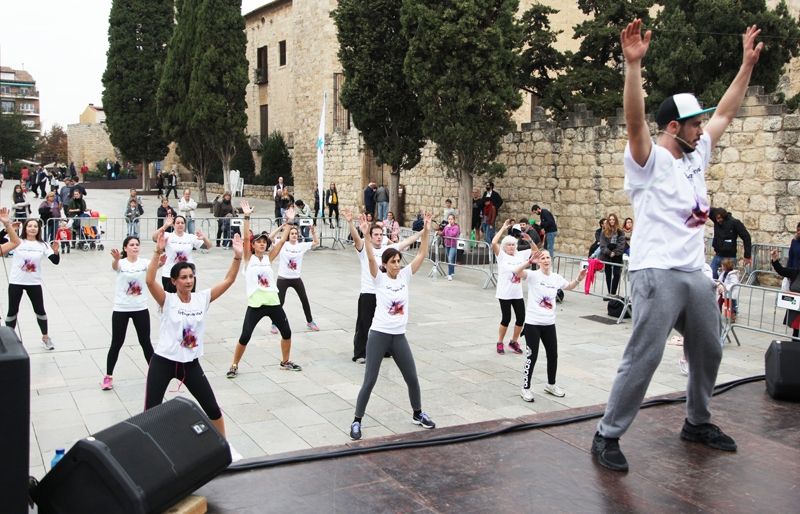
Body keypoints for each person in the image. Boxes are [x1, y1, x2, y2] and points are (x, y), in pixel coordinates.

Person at [592, 19, 762, 472]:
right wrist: (633, 67)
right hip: (656, 271)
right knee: (644, 356)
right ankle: (607, 433)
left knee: (710, 347)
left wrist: (745, 65)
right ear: (673, 126)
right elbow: (633, 121)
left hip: (693, 272)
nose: (704, 128)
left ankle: (697, 421)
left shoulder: (695, 152)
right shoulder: (648, 161)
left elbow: (725, 111)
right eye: (695, 124)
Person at [144, 229, 243, 444]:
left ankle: (222, 446)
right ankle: (149, 449)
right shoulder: (168, 300)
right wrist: (156, 252)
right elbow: (150, 281)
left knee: (212, 408)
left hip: (191, 365)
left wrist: (237, 256)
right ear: (174, 281)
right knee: (150, 412)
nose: (188, 281)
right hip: (163, 362)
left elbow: (228, 280)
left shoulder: (202, 299)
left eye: (191, 277)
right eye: (184, 277)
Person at [348, 212, 435, 441]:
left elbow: (422, 253)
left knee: (412, 378)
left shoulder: (405, 276)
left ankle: (417, 413)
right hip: (378, 336)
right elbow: (369, 258)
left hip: (399, 337)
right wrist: (366, 236)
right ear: (385, 264)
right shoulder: (379, 278)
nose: (398, 264)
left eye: (399, 260)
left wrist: (425, 230)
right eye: (393, 261)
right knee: (370, 380)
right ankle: (357, 420)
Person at [227, 200, 302, 377]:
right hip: (255, 304)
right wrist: (246, 217)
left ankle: (285, 361)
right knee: (245, 336)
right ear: (253, 246)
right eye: (258, 242)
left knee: (287, 332)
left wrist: (290, 222)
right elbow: (246, 238)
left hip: (273, 302)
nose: (261, 244)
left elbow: (283, 240)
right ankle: (234, 365)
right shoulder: (248, 259)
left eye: (263, 242)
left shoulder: (268, 258)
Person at [345, 208, 423, 363]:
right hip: (368, 292)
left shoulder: (389, 249)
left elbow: (408, 241)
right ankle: (360, 353)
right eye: (376, 235)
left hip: (385, 293)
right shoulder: (365, 248)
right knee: (364, 323)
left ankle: (386, 350)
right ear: (371, 236)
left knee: (387, 320)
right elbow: (356, 238)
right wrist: (350, 223)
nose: (379, 237)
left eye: (381, 234)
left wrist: (423, 231)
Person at [515, 249, 586, 402]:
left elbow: (569, 286)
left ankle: (551, 384)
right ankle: (525, 388)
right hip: (533, 324)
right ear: (539, 261)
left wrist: (579, 279)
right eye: (543, 258)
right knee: (531, 356)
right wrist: (528, 262)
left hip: (549, 324)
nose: (546, 260)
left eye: (548, 257)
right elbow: (517, 272)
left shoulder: (556, 278)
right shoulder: (533, 275)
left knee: (553, 355)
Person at [102, 236, 154, 391]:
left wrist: (160, 261)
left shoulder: (144, 263)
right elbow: (115, 266)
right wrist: (117, 259)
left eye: (137, 244)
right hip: (121, 309)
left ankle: (155, 373)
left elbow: (154, 268)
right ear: (125, 248)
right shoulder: (121, 263)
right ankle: (108, 376)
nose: (135, 247)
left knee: (145, 342)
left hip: (140, 308)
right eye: (131, 245)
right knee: (116, 343)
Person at [5, 217, 60, 350]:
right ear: (25, 228)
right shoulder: (17, 241)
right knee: (12, 312)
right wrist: (9, 227)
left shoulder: (43, 245)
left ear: (39, 229)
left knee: (40, 311)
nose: (32, 228)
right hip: (16, 282)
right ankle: (7, 340)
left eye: (35, 226)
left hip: (34, 283)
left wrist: (56, 251)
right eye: (30, 226)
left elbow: (55, 261)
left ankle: (45, 337)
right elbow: (2, 242)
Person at [271, 214, 320, 332]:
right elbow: (271, 237)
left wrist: (313, 231)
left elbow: (316, 242)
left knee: (304, 299)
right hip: (283, 278)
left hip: (296, 278)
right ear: (288, 235)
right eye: (291, 233)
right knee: (280, 301)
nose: (294, 235)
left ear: (298, 235)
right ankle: (274, 323)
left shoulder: (302, 245)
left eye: (295, 234)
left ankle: (310, 321)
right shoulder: (283, 244)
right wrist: (282, 227)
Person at [492, 219, 534, 355]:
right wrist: (503, 227)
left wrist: (530, 240)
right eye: (509, 245)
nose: (511, 247)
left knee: (521, 317)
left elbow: (536, 251)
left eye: (513, 245)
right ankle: (499, 342)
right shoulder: (502, 256)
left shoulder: (520, 255)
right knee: (506, 318)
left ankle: (514, 341)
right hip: (504, 292)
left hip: (517, 293)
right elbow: (493, 243)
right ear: (504, 247)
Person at [152, 213, 211, 293]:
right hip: (169, 274)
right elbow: (154, 237)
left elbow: (208, 246)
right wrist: (165, 226)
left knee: (188, 301)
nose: (180, 225)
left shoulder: (190, 237)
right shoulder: (168, 236)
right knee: (171, 301)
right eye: (178, 223)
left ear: (185, 225)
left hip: (188, 275)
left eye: (182, 223)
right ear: (173, 225)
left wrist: (204, 238)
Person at [709, 207, 752, 279]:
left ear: (724, 217)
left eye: (719, 218)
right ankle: (715, 289)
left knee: (727, 279)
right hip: (718, 255)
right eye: (716, 218)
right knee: (712, 274)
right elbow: (706, 209)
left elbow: (746, 237)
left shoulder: (734, 223)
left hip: (729, 257)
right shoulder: (716, 220)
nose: (718, 220)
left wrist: (747, 256)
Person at [771, 248, 800, 339]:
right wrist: (775, 259)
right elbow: (781, 270)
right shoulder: (796, 273)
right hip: (797, 311)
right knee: (796, 334)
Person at [599, 213, 626, 297]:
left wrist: (615, 252)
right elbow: (602, 245)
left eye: (613, 219)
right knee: (608, 274)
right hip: (607, 255)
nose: (612, 221)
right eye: (610, 219)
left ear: (616, 220)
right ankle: (609, 293)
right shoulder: (604, 232)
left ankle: (613, 293)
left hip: (617, 255)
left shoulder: (620, 232)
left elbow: (621, 244)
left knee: (617, 273)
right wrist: (609, 252)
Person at [442, 214, 460, 281]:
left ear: (454, 220)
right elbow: (443, 233)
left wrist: (449, 228)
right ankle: (452, 272)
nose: (450, 220)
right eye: (449, 219)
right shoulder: (446, 226)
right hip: (447, 244)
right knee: (450, 259)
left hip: (453, 245)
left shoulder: (456, 227)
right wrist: (438, 232)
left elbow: (452, 234)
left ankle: (449, 274)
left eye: (451, 219)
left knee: (450, 258)